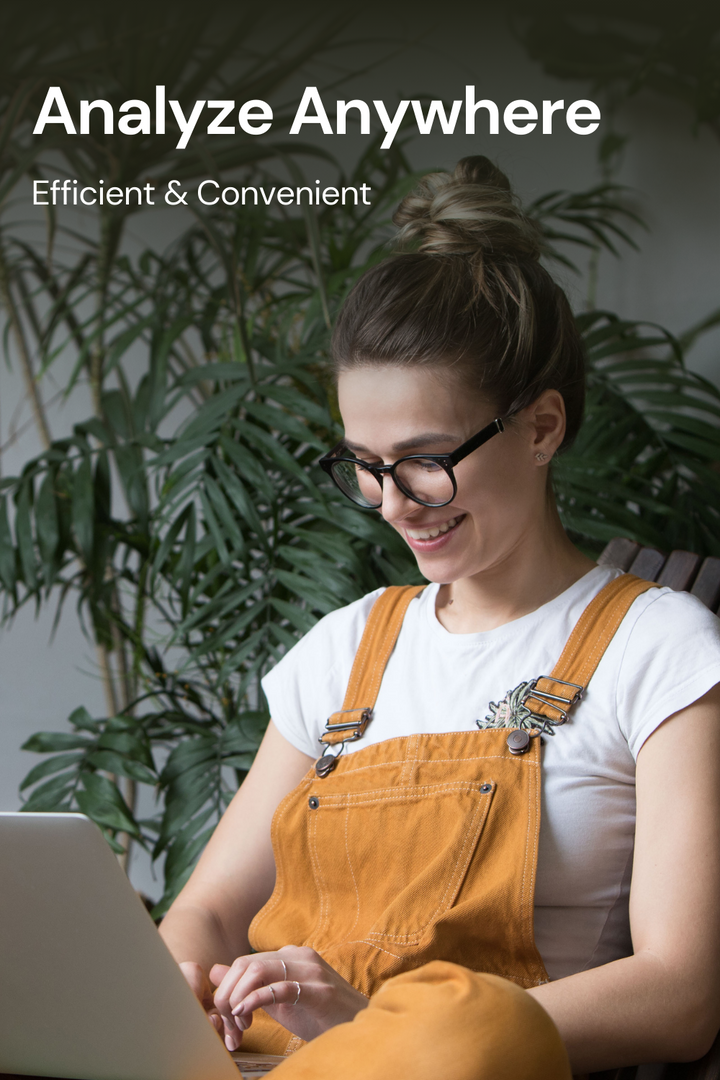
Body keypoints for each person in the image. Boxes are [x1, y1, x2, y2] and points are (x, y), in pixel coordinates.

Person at [158, 157, 720, 1079]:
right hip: (261, 1069)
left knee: (461, 1036)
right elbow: (207, 913)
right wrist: (181, 977)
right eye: (365, 465)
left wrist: (378, 1031)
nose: (392, 503)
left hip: (462, 1070)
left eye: (424, 459)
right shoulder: (345, 650)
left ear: (541, 428)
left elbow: (680, 992)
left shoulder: (657, 649)